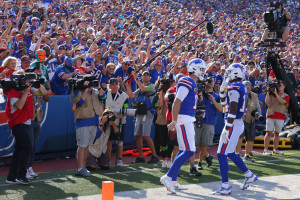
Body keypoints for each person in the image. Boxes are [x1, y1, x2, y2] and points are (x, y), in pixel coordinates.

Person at [160, 58, 206, 194]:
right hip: (184, 118)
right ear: (195, 68)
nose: (203, 71)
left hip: (186, 118)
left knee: (183, 149)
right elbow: (177, 101)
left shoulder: (192, 82)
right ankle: (168, 177)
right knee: (189, 150)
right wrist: (173, 121)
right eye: (202, 69)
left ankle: (173, 180)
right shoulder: (188, 81)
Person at [213, 63, 258, 195]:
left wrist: (226, 129)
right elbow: (224, 104)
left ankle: (225, 186)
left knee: (221, 154)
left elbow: (231, 110)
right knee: (231, 153)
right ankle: (249, 175)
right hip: (237, 123)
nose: (227, 74)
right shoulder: (241, 86)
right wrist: (222, 90)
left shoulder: (234, 88)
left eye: (229, 72)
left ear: (235, 73)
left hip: (232, 123)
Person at [5, 80, 48, 185]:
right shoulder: (14, 92)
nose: (26, 82)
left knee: (19, 149)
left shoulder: (27, 90)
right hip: (18, 123)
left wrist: (40, 83)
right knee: (27, 146)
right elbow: (19, 106)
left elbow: (42, 94)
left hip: (27, 122)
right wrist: (25, 92)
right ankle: (21, 175)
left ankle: (12, 177)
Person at [72, 79, 106, 177]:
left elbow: (103, 97)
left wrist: (99, 87)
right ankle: (80, 168)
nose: (91, 85)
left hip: (94, 121)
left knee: (87, 146)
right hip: (83, 122)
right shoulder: (77, 91)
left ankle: (83, 167)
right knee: (82, 146)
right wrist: (85, 89)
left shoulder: (95, 91)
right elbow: (80, 102)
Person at [125, 70, 159, 164]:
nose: (146, 77)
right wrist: (126, 84)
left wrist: (136, 78)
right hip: (140, 113)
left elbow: (144, 89)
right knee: (138, 135)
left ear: (150, 78)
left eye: (147, 75)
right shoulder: (139, 88)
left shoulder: (151, 86)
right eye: (144, 75)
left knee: (146, 135)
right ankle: (140, 157)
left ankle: (155, 156)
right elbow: (131, 95)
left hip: (147, 113)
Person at [196, 77, 222, 170]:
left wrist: (213, 100)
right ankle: (207, 156)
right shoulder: (200, 93)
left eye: (212, 81)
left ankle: (199, 162)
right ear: (205, 83)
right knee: (197, 142)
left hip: (210, 121)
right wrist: (199, 96)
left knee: (204, 143)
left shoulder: (216, 95)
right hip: (198, 120)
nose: (211, 82)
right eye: (209, 81)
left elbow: (220, 109)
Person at [26, 84, 50, 179]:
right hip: (27, 120)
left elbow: (47, 99)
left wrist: (44, 91)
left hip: (36, 119)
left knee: (33, 145)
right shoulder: (27, 88)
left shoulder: (37, 88)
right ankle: (24, 168)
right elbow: (34, 92)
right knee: (28, 145)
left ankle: (29, 166)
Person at [105, 78, 129, 167]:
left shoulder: (124, 96)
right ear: (110, 85)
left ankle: (119, 159)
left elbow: (126, 109)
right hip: (108, 121)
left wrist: (121, 115)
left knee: (120, 141)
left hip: (120, 122)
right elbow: (103, 106)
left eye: (116, 84)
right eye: (113, 84)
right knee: (109, 140)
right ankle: (108, 159)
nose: (115, 86)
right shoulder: (106, 93)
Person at [235, 81, 261, 162]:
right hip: (240, 119)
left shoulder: (254, 95)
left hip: (250, 119)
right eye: (245, 86)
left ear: (250, 87)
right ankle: (237, 154)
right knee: (239, 137)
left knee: (250, 138)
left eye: (248, 86)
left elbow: (258, 106)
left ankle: (246, 155)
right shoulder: (238, 94)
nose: (246, 87)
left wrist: (259, 114)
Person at [263, 80, 289, 155]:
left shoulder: (286, 95)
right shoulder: (271, 94)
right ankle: (265, 150)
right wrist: (268, 92)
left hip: (280, 116)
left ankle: (275, 149)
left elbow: (282, 102)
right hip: (271, 115)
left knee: (277, 133)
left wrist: (276, 94)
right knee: (269, 132)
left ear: (284, 86)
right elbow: (267, 102)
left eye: (280, 85)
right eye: (278, 85)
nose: (279, 86)